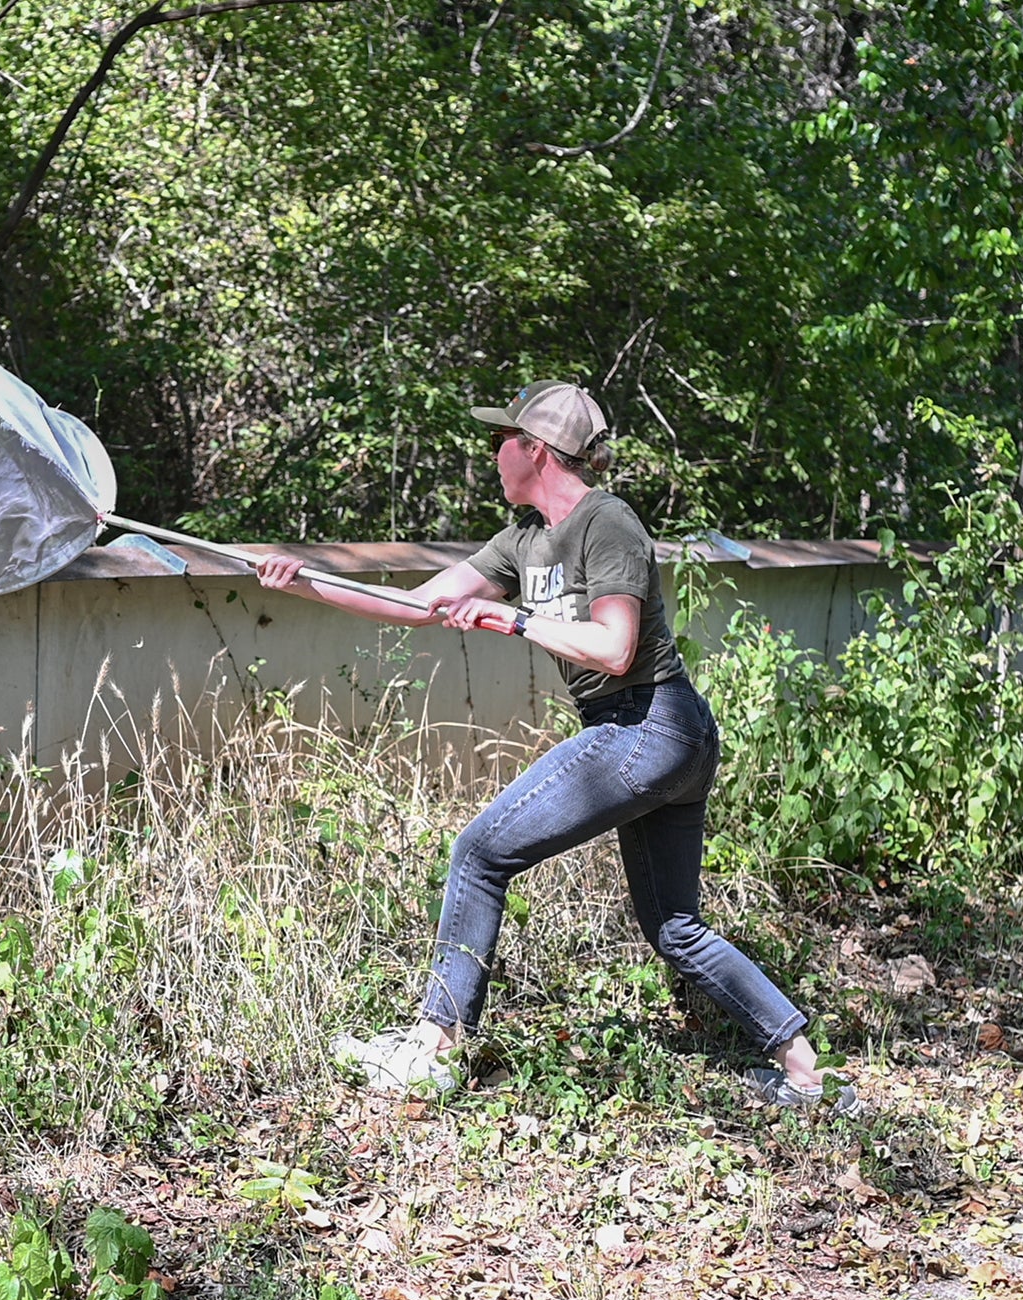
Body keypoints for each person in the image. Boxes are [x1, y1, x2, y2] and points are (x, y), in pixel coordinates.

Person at [253, 380, 852, 1112]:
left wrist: (514, 622)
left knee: (479, 853)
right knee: (673, 925)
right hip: (653, 736)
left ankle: (436, 1048)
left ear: (535, 449)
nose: (493, 456)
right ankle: (804, 1069)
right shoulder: (524, 538)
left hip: (648, 723)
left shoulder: (608, 523)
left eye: (500, 441)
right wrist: (299, 580)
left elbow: (614, 646)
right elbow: (415, 607)